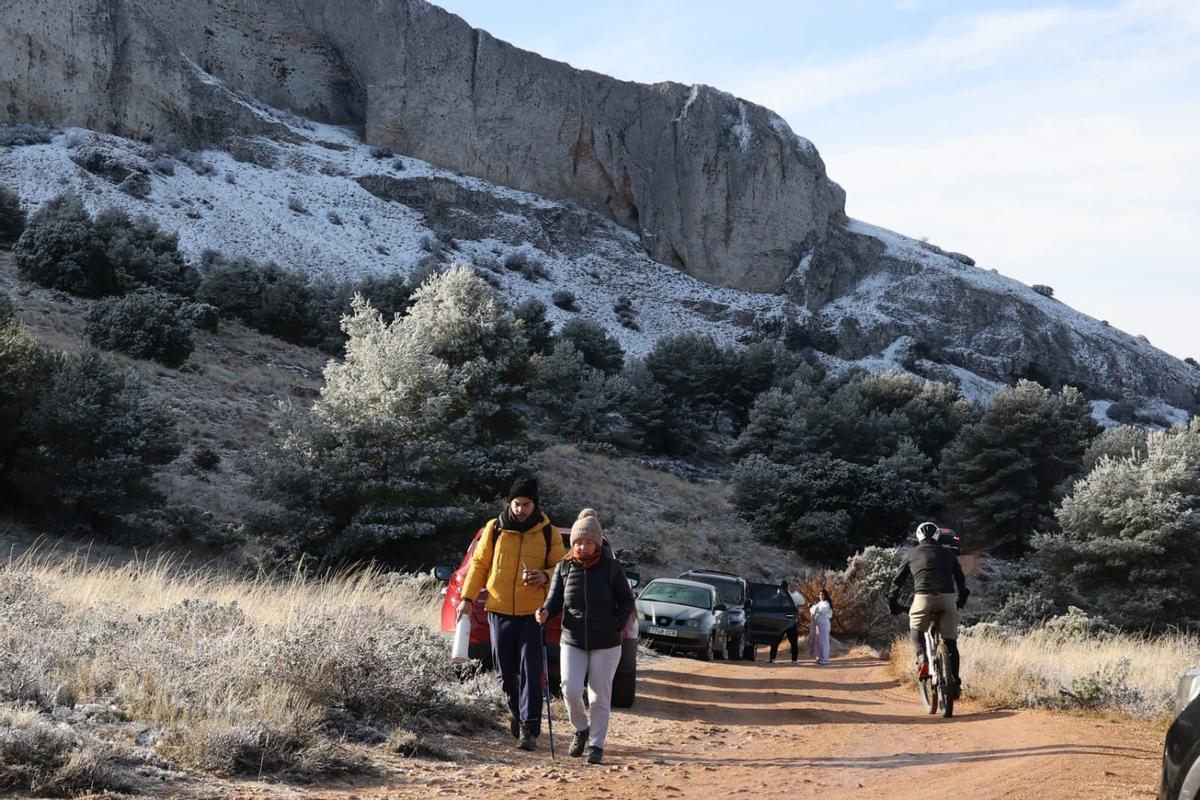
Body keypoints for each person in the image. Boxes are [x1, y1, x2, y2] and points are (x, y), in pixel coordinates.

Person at [458, 475, 565, 751]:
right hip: (499, 609)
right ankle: (517, 713)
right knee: (505, 672)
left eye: (526, 504)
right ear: (510, 502)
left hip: (534, 613)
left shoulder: (548, 532)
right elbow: (479, 565)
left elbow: (562, 570)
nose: (520, 509)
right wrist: (467, 598)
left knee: (530, 669)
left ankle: (529, 726)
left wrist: (544, 575)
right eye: (516, 503)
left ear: (535, 504)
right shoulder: (495, 528)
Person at [536, 508, 634, 766]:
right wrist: (545, 612)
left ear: (598, 542)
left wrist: (617, 624)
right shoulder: (564, 567)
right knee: (569, 688)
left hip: (607, 642)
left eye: (587, 542)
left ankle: (596, 745)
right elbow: (554, 600)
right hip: (573, 639)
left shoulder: (611, 568)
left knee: (599, 696)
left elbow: (626, 601)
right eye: (578, 542)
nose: (582, 547)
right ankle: (581, 729)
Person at [887, 521, 970, 697]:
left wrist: (893, 602)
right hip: (947, 598)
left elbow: (897, 581)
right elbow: (960, 579)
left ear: (918, 536)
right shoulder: (948, 553)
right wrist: (961, 599)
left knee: (916, 628)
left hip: (923, 597)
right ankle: (954, 682)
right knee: (950, 642)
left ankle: (922, 656)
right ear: (937, 536)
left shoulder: (911, 553)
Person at [769, 580, 803, 664]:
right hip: (791, 621)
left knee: (775, 641)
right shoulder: (792, 596)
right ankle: (794, 660)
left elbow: (771, 604)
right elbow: (802, 601)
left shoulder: (777, 596)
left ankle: (772, 658)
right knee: (793, 642)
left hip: (780, 622)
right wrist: (796, 592)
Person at [809, 588, 834, 665]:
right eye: (820, 594)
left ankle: (824, 658)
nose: (821, 596)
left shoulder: (826, 604)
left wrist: (812, 607)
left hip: (824, 624)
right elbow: (815, 610)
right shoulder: (820, 603)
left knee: (824, 641)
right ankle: (819, 658)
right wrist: (812, 607)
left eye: (822, 595)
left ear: (825, 595)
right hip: (818, 625)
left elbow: (820, 610)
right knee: (818, 641)